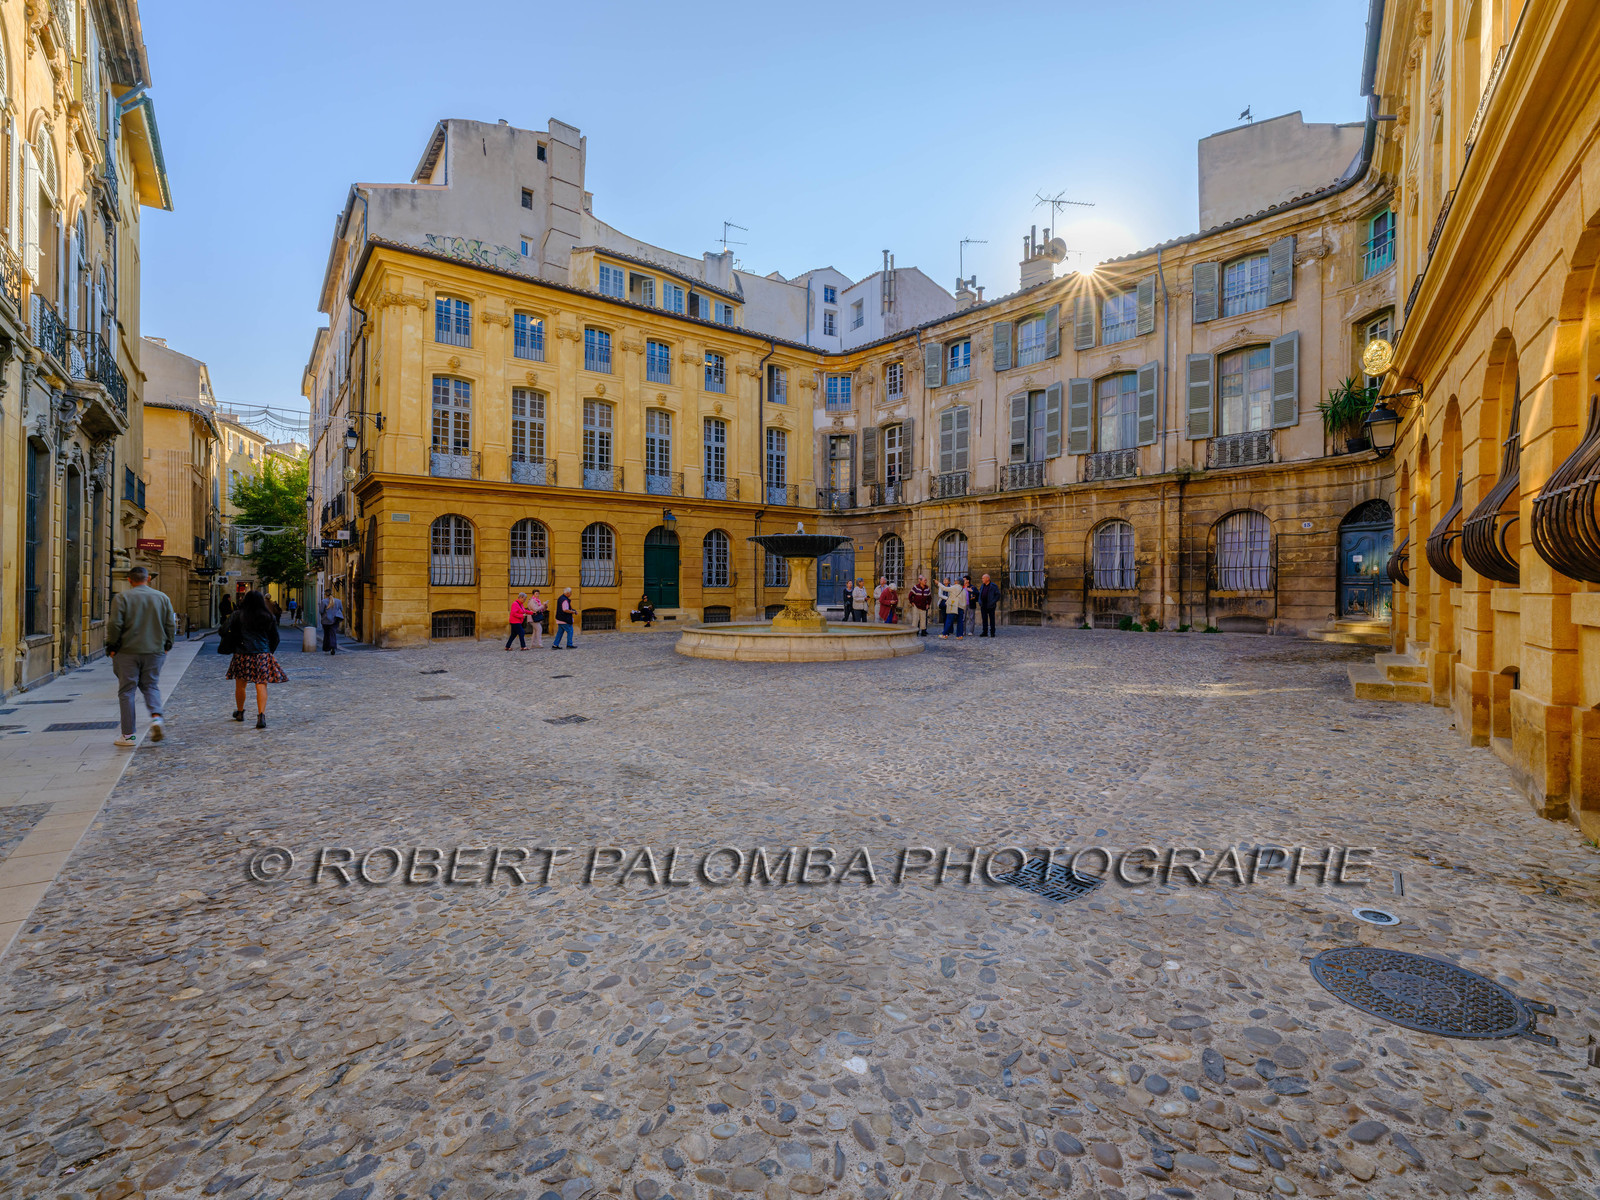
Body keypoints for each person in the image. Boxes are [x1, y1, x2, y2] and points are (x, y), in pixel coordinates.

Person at [106, 566, 177, 748]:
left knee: (127, 690)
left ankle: (128, 736)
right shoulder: (162, 597)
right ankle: (156, 717)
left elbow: (114, 624)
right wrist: (168, 644)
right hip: (155, 650)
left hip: (127, 651)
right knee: (151, 685)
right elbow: (170, 624)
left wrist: (112, 646)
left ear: (130, 580)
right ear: (149, 579)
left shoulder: (122, 598)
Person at [222, 590, 287, 729]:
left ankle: (240, 712)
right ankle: (261, 716)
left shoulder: (237, 615)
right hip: (262, 654)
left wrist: (234, 636)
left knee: (240, 685)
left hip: (242, 654)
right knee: (261, 684)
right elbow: (275, 638)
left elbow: (222, 630)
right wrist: (268, 651)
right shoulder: (268, 616)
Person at [977, 573, 1001, 638]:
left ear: (988, 579)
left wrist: (993, 602)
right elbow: (980, 594)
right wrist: (980, 601)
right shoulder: (982, 586)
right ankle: (985, 632)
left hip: (990, 605)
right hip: (983, 605)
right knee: (984, 619)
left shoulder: (993, 586)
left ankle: (992, 632)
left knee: (992, 619)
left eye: (983, 578)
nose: (982, 579)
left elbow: (998, 595)